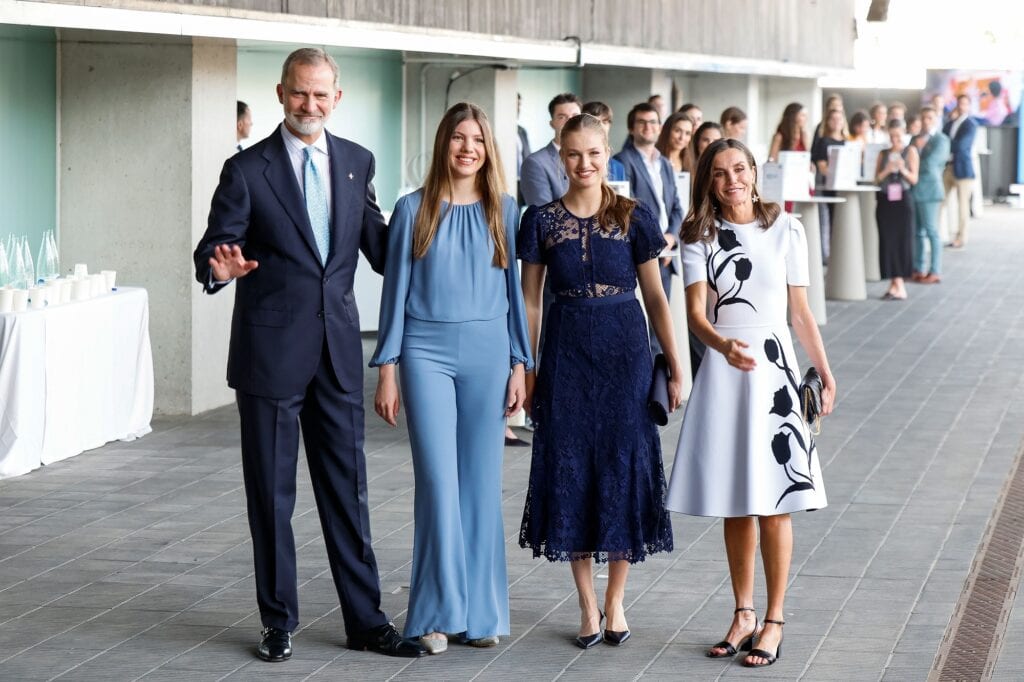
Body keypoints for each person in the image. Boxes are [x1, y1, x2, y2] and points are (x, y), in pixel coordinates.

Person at [193, 47, 426, 663]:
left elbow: (379, 245)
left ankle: (366, 621)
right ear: (280, 93)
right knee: (272, 497)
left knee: (348, 492)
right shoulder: (246, 169)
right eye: (300, 92)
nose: (310, 104)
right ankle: (278, 622)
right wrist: (219, 268)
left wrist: (434, 235)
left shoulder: (355, 161)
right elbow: (214, 247)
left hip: (338, 353)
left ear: (336, 98)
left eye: (321, 94)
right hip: (270, 355)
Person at [666, 138, 835, 668]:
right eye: (719, 173)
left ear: (755, 172)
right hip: (726, 369)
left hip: (775, 370)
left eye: (739, 169)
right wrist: (722, 346)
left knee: (775, 502)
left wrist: (825, 372)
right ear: (708, 181)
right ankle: (743, 614)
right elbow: (696, 315)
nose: (731, 180)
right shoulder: (698, 235)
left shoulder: (788, 228)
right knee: (737, 500)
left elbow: (800, 312)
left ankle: (774, 620)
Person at [371, 102, 532, 654]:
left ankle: (481, 613)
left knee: (481, 486)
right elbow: (394, 291)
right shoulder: (411, 208)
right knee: (439, 485)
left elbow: (514, 293)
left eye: (478, 140)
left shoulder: (504, 209)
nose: (468, 148)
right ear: (444, 143)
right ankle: (436, 614)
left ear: (488, 149)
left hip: (489, 353)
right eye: (459, 138)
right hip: (425, 353)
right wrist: (387, 368)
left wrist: (520, 362)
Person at [518, 113, 682, 649]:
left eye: (593, 153)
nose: (584, 163)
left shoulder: (634, 216)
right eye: (573, 154)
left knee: (622, 467)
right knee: (571, 469)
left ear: (607, 153)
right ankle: (587, 603)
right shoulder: (540, 221)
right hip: (565, 356)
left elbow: (655, 296)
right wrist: (526, 368)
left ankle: (615, 599)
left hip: (626, 356)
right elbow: (530, 302)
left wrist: (675, 362)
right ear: (560, 157)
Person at [614, 102, 683, 331]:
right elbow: (627, 208)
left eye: (653, 122)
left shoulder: (665, 163)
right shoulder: (621, 161)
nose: (648, 127)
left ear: (660, 127)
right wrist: (656, 242)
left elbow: (677, 208)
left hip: (665, 253)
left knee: (660, 326)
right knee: (638, 326)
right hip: (639, 255)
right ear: (631, 128)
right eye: (641, 122)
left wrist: (671, 237)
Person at [874, 118, 919, 300]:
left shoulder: (910, 151)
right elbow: (876, 179)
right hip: (885, 201)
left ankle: (900, 284)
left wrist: (902, 169)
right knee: (887, 241)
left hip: (903, 201)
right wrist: (887, 169)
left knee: (902, 241)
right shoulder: (883, 153)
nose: (895, 140)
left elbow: (914, 179)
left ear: (904, 133)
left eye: (898, 136)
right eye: (892, 136)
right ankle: (893, 284)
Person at [520, 93, 582, 207]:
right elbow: (543, 213)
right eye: (562, 117)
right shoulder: (535, 163)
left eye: (575, 116)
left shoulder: (591, 159)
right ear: (552, 123)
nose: (570, 121)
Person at [911, 107, 950, 284]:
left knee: (932, 231)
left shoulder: (941, 140)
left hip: (930, 191)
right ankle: (918, 268)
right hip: (915, 189)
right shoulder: (915, 139)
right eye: (923, 118)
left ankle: (935, 270)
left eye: (929, 118)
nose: (926, 121)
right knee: (917, 233)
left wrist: (917, 155)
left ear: (935, 119)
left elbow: (931, 164)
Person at [810, 109, 847, 263]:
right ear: (828, 121)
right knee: (825, 220)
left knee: (839, 221)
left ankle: (838, 254)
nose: (837, 122)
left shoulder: (847, 141)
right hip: (827, 186)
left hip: (843, 187)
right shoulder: (823, 141)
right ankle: (826, 255)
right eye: (833, 119)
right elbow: (822, 167)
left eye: (839, 119)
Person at [942, 94, 978, 249]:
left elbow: (962, 146)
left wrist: (946, 144)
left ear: (968, 106)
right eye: (959, 103)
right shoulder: (950, 124)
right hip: (948, 167)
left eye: (965, 103)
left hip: (963, 170)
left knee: (962, 205)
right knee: (939, 200)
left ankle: (961, 238)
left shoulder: (970, 125)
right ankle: (938, 234)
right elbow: (941, 138)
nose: (961, 106)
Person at [582, 101, 627, 181]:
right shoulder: (578, 163)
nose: (601, 126)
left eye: (604, 121)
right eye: (594, 121)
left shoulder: (618, 167)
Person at [516, 93, 532, 207]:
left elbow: (527, 156)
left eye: (519, 105)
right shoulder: (497, 130)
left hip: (521, 183)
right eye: (514, 104)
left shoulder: (521, 131)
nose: (517, 108)